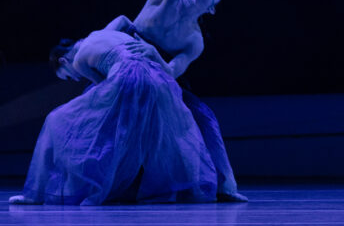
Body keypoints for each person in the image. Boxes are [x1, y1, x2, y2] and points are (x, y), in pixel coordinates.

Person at [106, 0, 245, 201]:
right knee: (100, 112)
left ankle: (226, 184)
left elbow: (172, 70)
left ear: (212, 10)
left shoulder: (194, 41)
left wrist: (155, 62)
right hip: (124, 54)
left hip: (156, 69)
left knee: (203, 115)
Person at [9, 30, 217, 205]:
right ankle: (191, 187)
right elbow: (124, 20)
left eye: (68, 75)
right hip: (158, 78)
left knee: (55, 120)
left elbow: (104, 89)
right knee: (165, 135)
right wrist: (151, 50)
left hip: (127, 78)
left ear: (64, 60)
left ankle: (34, 194)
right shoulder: (104, 32)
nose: (75, 78)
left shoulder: (80, 60)